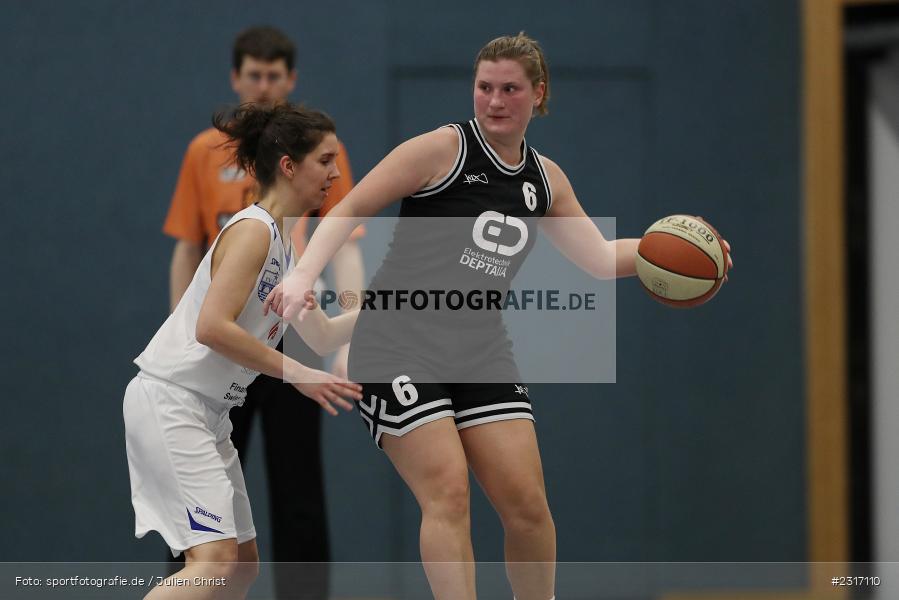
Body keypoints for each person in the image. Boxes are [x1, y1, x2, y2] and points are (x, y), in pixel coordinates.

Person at [264, 33, 733, 600]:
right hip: (394, 343)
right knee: (448, 492)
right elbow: (351, 206)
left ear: (538, 93)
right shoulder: (443, 149)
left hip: (480, 348)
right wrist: (302, 274)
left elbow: (599, 258)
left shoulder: (545, 179)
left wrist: (687, 251)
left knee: (528, 507)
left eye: (510, 89)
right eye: (484, 87)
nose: (494, 100)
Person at [124, 102, 362, 599]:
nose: (336, 173)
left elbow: (321, 335)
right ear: (289, 166)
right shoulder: (253, 230)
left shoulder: (285, 248)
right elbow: (212, 327)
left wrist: (405, 308)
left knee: (241, 568)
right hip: (173, 401)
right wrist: (297, 372)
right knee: (213, 562)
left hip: (209, 413)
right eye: (325, 160)